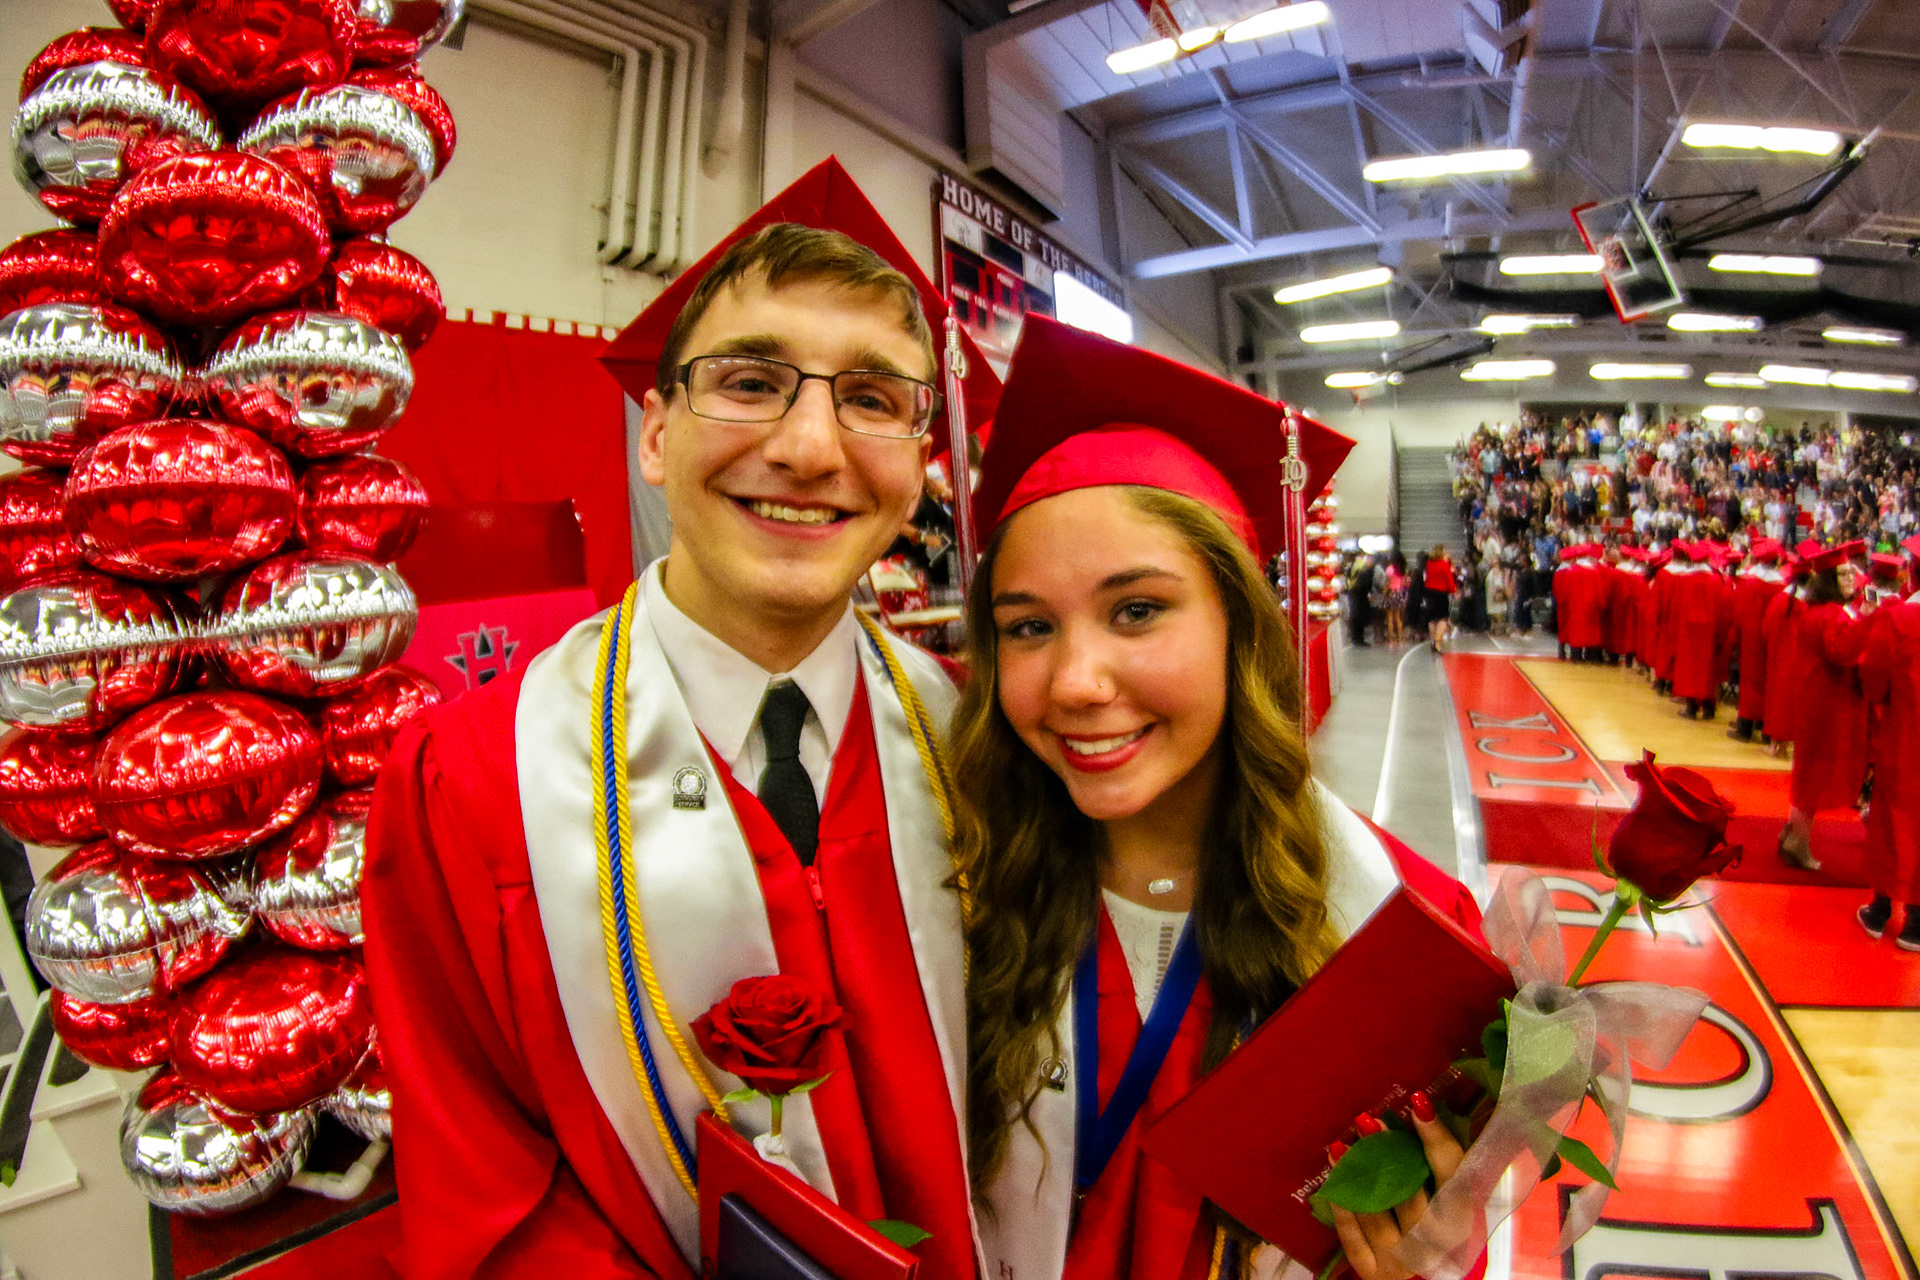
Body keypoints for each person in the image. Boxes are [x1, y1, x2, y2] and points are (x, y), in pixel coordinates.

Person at [361, 167, 993, 1279]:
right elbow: (484, 1184)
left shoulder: (986, 745)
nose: (808, 447)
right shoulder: (470, 778)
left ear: (917, 474)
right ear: (655, 435)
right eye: (750, 382)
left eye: (874, 398)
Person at [951, 317, 1485, 1280]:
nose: (1074, 681)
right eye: (1027, 626)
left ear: (1245, 625)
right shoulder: (949, 897)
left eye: (1138, 610)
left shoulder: (1391, 933)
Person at [1777, 543, 1876, 872]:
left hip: (1816, 699)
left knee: (1808, 771)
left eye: (1852, 573)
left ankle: (1792, 832)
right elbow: (1842, 653)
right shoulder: (1832, 614)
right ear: (1830, 580)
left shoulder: (1816, 609)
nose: (1852, 579)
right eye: (1844, 574)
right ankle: (1797, 843)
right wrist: (1866, 623)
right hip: (1827, 705)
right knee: (1814, 775)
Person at [1857, 540, 1920, 948]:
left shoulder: (1899, 618)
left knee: (1894, 816)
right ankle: (1917, 921)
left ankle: (1880, 910)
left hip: (1906, 732)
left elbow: (1873, 675)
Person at [1726, 539, 1787, 742]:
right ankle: (1765, 726)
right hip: (1774, 641)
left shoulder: (1749, 583)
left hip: (1752, 639)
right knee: (1769, 683)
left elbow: (1739, 613)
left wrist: (1735, 638)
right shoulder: (1782, 586)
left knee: (1750, 682)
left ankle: (1745, 727)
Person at [1424, 544, 1458, 650]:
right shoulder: (1444, 565)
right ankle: (1437, 643)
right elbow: (1449, 580)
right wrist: (1454, 591)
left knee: (1432, 619)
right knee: (1442, 618)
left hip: (1429, 592)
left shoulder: (1429, 563)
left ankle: (1432, 639)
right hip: (1441, 593)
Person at [1383, 551, 1409, 645]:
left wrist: (1384, 591)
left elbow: (1388, 582)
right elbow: (1403, 583)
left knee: (1390, 616)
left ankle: (1391, 637)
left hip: (1391, 593)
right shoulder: (1402, 570)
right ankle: (1400, 636)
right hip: (1399, 593)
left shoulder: (1390, 569)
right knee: (1398, 616)